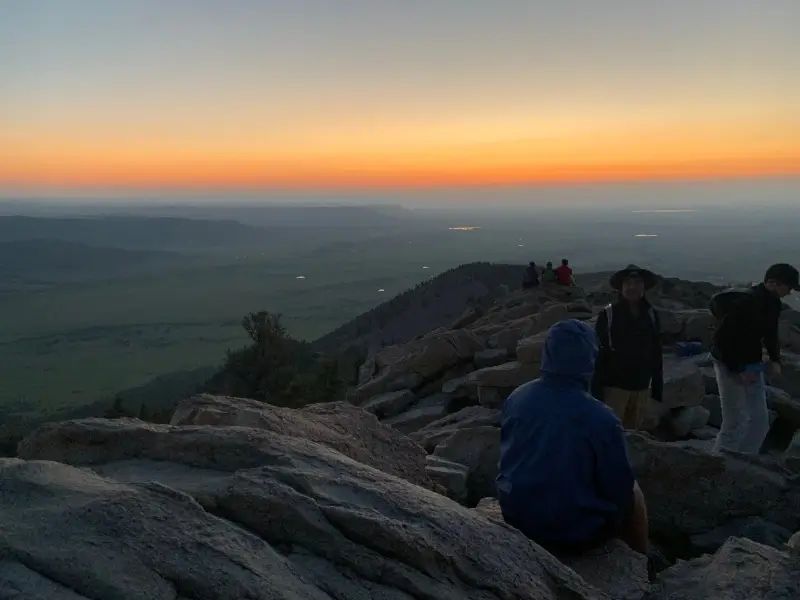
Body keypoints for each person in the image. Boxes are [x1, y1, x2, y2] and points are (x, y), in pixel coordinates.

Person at [496, 319, 649, 556]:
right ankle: (642, 557)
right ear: (590, 358)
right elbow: (619, 487)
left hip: (516, 517)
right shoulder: (600, 417)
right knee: (634, 491)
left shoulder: (517, 397)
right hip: (571, 534)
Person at [709, 263, 799, 454]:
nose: (789, 292)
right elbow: (722, 340)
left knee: (759, 422)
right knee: (736, 422)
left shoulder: (773, 303)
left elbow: (770, 333)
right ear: (772, 283)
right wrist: (737, 370)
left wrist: (775, 359)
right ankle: (716, 467)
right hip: (729, 364)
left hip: (752, 364)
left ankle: (744, 464)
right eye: (788, 287)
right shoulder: (746, 303)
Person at [592, 264, 663, 430]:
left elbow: (656, 352)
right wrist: (596, 391)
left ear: (644, 287)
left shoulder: (652, 314)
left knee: (634, 435)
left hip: (641, 387)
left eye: (637, 283)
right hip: (614, 388)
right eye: (628, 283)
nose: (632, 287)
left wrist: (657, 389)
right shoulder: (608, 315)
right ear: (621, 287)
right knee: (609, 433)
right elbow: (597, 353)